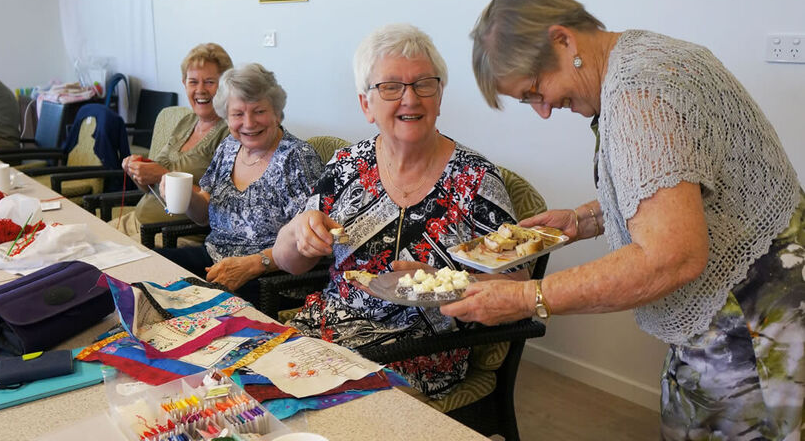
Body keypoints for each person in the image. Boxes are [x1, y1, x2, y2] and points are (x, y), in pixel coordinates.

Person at [442, 0, 804, 438]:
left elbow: (670, 255)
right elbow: (681, 185)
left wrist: (524, 298)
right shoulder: (647, 54)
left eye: (535, 91)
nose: (544, 111)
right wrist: (584, 220)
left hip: (754, 320)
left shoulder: (637, 92)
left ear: (563, 40)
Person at [272, 24, 522, 399]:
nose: (410, 99)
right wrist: (298, 232)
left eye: (424, 84)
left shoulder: (475, 180)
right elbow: (288, 261)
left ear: (439, 97)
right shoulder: (345, 167)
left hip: (417, 354)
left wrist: (444, 283)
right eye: (390, 87)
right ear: (365, 104)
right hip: (324, 336)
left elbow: (518, 289)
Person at [158, 63, 322, 300]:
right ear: (226, 117)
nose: (248, 123)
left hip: (269, 279)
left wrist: (255, 264)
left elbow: (308, 243)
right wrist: (187, 196)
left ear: (277, 112)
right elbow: (204, 214)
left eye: (259, 111)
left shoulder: (297, 158)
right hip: (213, 260)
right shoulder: (229, 147)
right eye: (237, 114)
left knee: (185, 308)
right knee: (147, 269)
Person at [115, 43, 232, 242]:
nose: (200, 90)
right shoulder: (186, 122)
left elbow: (217, 209)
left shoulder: (230, 132)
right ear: (184, 83)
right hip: (136, 220)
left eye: (210, 82)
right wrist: (139, 171)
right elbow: (150, 187)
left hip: (171, 236)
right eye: (193, 82)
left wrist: (162, 174)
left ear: (225, 86)